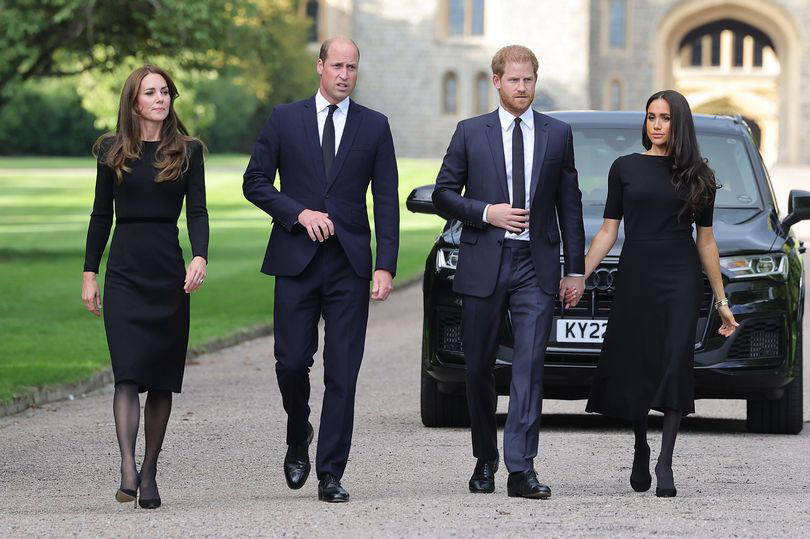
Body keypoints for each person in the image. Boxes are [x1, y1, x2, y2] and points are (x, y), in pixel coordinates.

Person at [242, 36, 399, 503]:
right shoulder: (285, 119)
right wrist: (297, 213)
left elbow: (386, 202)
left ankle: (330, 472)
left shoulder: (374, 126)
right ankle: (298, 431)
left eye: (352, 67)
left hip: (348, 265)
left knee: (343, 374)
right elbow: (254, 182)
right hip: (295, 260)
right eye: (337, 65)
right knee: (291, 363)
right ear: (320, 66)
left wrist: (385, 265)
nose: (344, 75)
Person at [432, 45, 585, 499]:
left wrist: (574, 270)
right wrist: (486, 212)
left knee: (529, 366)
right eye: (514, 80)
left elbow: (569, 207)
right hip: (484, 263)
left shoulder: (558, 134)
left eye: (529, 80)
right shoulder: (469, 133)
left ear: (536, 81)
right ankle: (485, 457)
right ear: (496, 81)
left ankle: (521, 468)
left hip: (534, 268)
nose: (522, 88)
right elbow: (443, 194)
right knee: (478, 367)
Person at [579, 90, 738, 497]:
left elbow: (706, 242)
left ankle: (665, 460)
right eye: (651, 116)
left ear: (678, 123)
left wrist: (722, 303)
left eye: (664, 118)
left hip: (681, 276)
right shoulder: (625, 167)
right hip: (637, 274)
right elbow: (608, 230)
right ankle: (640, 445)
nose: (656, 124)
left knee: (674, 361)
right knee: (639, 361)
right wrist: (578, 275)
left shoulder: (699, 174)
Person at [81, 65, 208, 509]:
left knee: (160, 379)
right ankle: (127, 468)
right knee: (128, 373)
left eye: (165, 92)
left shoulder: (188, 151)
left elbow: (198, 212)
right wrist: (89, 273)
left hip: (167, 273)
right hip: (124, 272)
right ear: (134, 101)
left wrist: (199, 255)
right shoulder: (111, 151)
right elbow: (100, 215)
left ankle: (150, 471)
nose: (160, 98)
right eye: (150, 92)